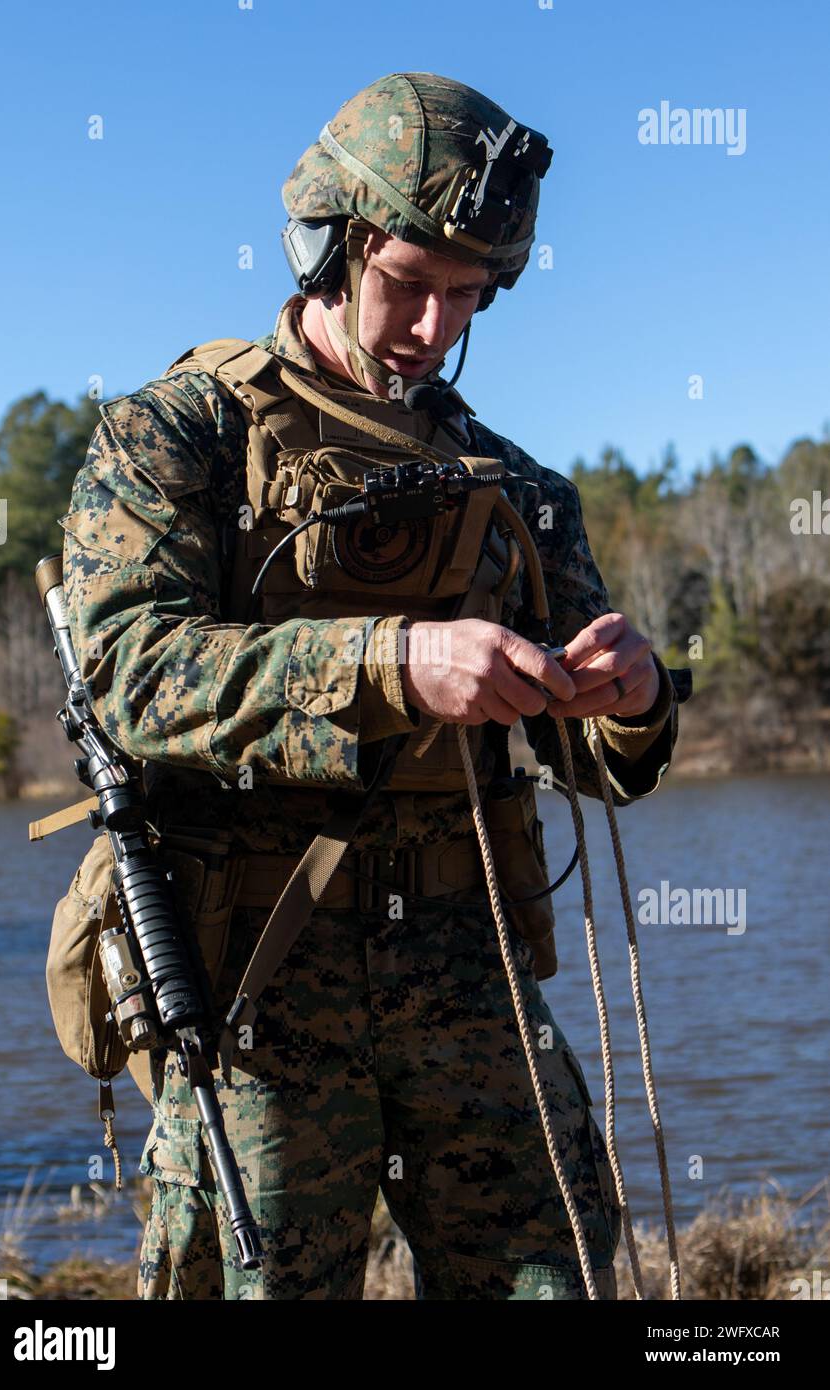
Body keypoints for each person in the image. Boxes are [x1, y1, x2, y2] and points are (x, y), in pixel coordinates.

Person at [61, 72, 679, 1301]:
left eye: (468, 295)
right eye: (407, 282)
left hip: (471, 974)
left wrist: (630, 698)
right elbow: (130, 672)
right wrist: (391, 661)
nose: (433, 326)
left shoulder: (513, 487)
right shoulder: (176, 434)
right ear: (328, 248)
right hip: (257, 989)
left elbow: (595, 763)